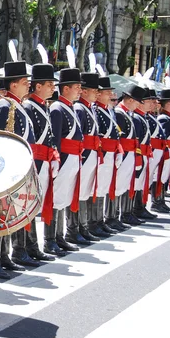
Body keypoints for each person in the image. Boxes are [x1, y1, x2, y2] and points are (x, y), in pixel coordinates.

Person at [0, 61, 40, 269]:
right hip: (9, 168)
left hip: (20, 166)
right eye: (24, 82)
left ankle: (13, 253)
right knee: (5, 211)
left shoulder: (16, 104)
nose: (28, 86)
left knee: (17, 210)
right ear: (13, 85)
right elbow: (4, 139)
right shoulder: (5, 105)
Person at [23, 63, 60, 258]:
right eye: (50, 84)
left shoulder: (43, 106)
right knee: (30, 205)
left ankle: (35, 246)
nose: (53, 88)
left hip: (45, 161)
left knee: (40, 203)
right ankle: (29, 247)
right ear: (38, 86)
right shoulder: (29, 106)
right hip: (36, 161)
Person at [49, 68, 84, 254]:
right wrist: (58, 161)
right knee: (56, 199)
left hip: (73, 158)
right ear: (65, 88)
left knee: (63, 199)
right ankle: (50, 239)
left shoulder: (69, 107)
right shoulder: (57, 108)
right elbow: (55, 138)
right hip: (63, 159)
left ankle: (59, 236)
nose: (80, 90)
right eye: (76, 87)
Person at [68, 72, 101, 245]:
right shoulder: (80, 108)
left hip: (91, 154)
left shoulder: (89, 107)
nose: (98, 93)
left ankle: (83, 226)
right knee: (79, 193)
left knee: (86, 192)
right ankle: (76, 228)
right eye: (94, 90)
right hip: (85, 154)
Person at [91, 77, 122, 235]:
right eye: (107, 91)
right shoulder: (96, 110)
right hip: (102, 153)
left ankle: (99, 220)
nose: (111, 94)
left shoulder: (107, 110)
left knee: (103, 188)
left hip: (110, 154)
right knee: (98, 187)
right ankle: (94, 221)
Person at [113, 84, 146, 227]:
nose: (139, 105)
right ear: (131, 100)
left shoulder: (127, 113)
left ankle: (120, 215)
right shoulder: (120, 113)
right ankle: (113, 216)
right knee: (117, 186)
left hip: (129, 154)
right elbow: (120, 137)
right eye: (138, 101)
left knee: (125, 185)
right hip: (124, 154)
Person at [131, 91, 157, 220]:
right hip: (140, 153)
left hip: (145, 153)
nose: (152, 104)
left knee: (141, 182)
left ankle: (139, 207)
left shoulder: (142, 117)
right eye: (148, 101)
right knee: (136, 182)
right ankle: (134, 209)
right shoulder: (136, 118)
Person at [148, 89, 170, 213]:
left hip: (160, 151)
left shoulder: (153, 117)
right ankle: (155, 202)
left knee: (161, 176)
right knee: (153, 177)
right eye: (152, 101)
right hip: (153, 151)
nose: (155, 104)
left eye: (155, 102)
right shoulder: (158, 117)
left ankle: (159, 200)